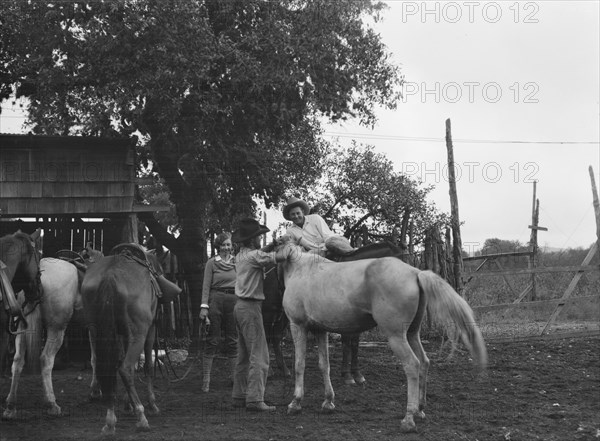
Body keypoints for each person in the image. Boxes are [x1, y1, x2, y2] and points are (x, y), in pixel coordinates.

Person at [231, 217, 292, 412]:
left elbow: (259, 253)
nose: (261, 240)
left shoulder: (240, 255)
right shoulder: (254, 257)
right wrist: (289, 244)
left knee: (243, 354)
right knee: (260, 354)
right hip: (251, 308)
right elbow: (280, 258)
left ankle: (239, 395)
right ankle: (256, 399)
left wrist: (272, 245)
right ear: (252, 240)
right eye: (259, 237)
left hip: (239, 307)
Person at [199, 232, 237, 393]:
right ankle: (206, 380)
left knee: (233, 339)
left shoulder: (238, 262)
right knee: (212, 339)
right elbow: (206, 285)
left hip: (234, 300)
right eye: (223, 245)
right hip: (216, 300)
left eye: (228, 244)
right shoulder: (212, 263)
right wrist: (204, 306)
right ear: (218, 246)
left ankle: (235, 379)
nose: (226, 248)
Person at [282, 196, 354, 254]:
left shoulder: (315, 218)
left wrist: (324, 250)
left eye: (298, 213)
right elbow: (294, 247)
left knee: (331, 243)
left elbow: (327, 236)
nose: (296, 216)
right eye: (293, 214)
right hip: (314, 253)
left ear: (303, 212)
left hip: (330, 244)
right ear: (289, 216)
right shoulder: (290, 231)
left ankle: (354, 253)